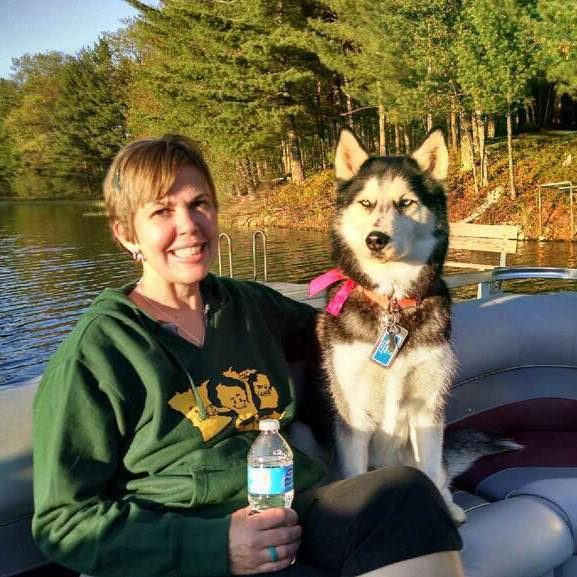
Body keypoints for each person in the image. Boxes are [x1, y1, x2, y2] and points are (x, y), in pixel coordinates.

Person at [32, 134, 465, 577]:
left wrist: (402, 296)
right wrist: (215, 545)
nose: (189, 226)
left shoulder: (248, 306)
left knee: (405, 495)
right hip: (198, 545)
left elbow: (346, 325)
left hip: (301, 512)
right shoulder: (98, 352)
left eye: (199, 203)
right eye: (162, 211)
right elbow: (62, 523)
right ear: (126, 233)